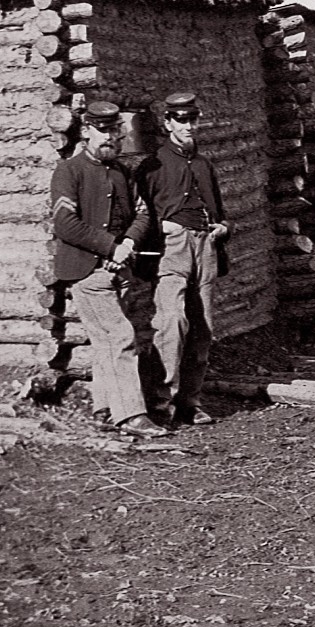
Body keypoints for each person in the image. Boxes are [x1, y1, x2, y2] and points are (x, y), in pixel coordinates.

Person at [50, 101, 160, 437]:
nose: (110, 137)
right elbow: (65, 223)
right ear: (85, 131)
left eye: (115, 130)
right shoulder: (69, 171)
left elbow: (142, 214)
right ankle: (131, 416)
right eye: (103, 130)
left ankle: (104, 408)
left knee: (105, 343)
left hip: (120, 270)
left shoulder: (123, 172)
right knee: (119, 336)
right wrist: (110, 247)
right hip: (88, 272)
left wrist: (126, 244)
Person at [137, 91, 229, 426]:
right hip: (171, 249)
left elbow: (219, 210)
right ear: (167, 123)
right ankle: (162, 400)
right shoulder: (153, 166)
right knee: (172, 321)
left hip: (205, 246)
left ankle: (191, 401)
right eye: (180, 119)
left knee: (202, 327)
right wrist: (161, 231)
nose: (188, 126)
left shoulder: (204, 165)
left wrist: (222, 227)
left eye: (192, 119)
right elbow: (139, 215)